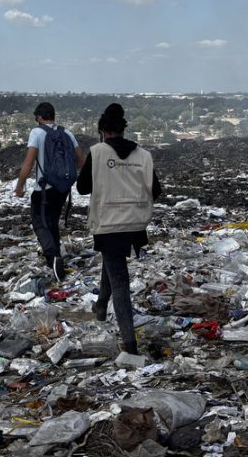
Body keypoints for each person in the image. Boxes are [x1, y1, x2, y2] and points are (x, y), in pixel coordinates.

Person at [76, 103, 161, 356]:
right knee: (111, 263)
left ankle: (130, 343)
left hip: (109, 222)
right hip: (135, 223)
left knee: (120, 281)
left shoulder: (98, 152)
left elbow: (82, 188)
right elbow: (155, 190)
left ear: (102, 131)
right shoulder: (143, 156)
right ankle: (101, 306)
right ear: (123, 130)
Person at [14, 101, 83, 281]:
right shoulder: (67, 132)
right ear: (53, 116)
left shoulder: (37, 133)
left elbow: (28, 163)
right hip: (62, 189)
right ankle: (56, 257)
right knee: (52, 221)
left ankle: (53, 257)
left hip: (43, 189)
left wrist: (20, 186)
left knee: (39, 223)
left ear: (39, 117)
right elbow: (81, 161)